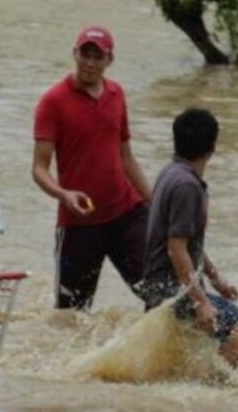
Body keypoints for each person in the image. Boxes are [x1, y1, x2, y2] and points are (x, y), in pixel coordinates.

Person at [32, 26, 153, 310]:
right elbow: (39, 169)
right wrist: (63, 194)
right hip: (80, 225)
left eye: (97, 56)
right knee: (71, 315)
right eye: (84, 54)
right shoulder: (53, 101)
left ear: (109, 60)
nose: (89, 62)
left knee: (160, 294)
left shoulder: (116, 94)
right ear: (74, 53)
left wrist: (156, 203)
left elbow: (127, 158)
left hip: (127, 215)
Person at [138, 108, 238, 368]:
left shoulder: (170, 173)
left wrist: (217, 281)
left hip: (159, 284)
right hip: (170, 288)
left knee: (177, 359)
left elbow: (188, 242)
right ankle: (210, 392)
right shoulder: (187, 186)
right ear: (212, 147)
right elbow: (176, 248)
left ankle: (191, 395)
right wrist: (200, 301)